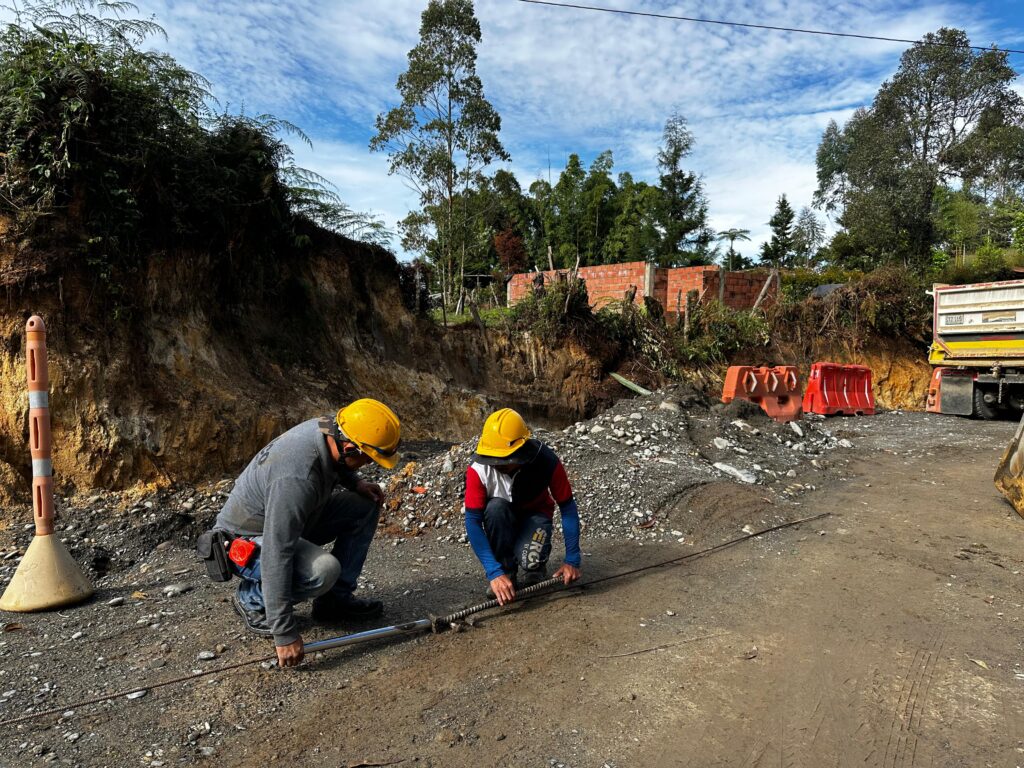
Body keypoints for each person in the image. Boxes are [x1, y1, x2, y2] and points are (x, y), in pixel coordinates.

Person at [212, 399, 401, 668]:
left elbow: (336, 463)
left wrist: (355, 482)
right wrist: (284, 634)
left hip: (293, 519)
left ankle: (334, 603)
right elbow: (278, 551)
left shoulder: (329, 426)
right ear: (349, 448)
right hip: (246, 542)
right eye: (367, 459)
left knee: (364, 506)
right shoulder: (296, 477)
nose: (369, 464)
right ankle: (252, 599)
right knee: (322, 571)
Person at [463, 408, 581, 605]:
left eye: (503, 460)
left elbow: (567, 507)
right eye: (492, 459)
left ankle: (534, 569)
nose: (496, 464)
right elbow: (472, 522)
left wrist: (572, 560)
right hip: (501, 519)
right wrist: (494, 572)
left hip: (535, 516)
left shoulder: (545, 461)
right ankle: (506, 573)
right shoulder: (478, 470)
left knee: (530, 560)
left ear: (521, 451)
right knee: (495, 509)